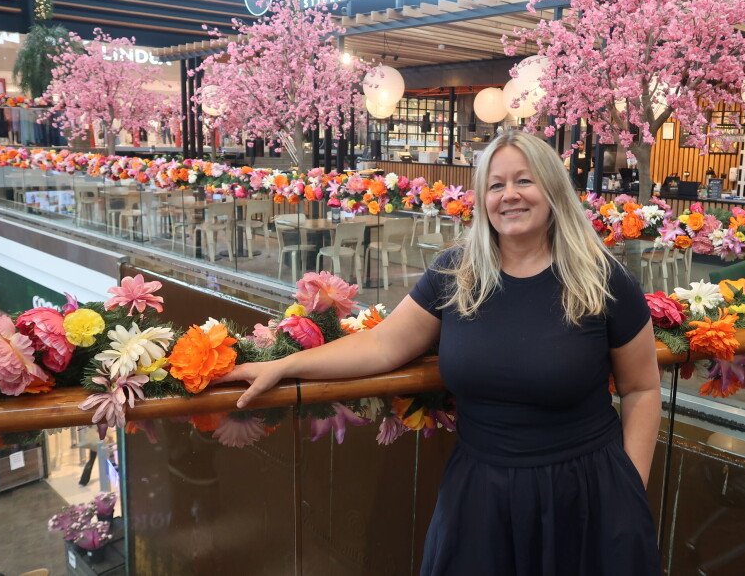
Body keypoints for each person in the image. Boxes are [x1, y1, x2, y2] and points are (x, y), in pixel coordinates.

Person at [217, 131, 662, 575]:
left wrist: (629, 487)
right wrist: (286, 364)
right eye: (495, 185)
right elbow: (381, 344)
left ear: (553, 189)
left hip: (585, 494)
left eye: (524, 181)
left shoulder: (601, 279)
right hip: (480, 495)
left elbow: (642, 387)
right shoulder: (456, 273)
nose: (509, 196)